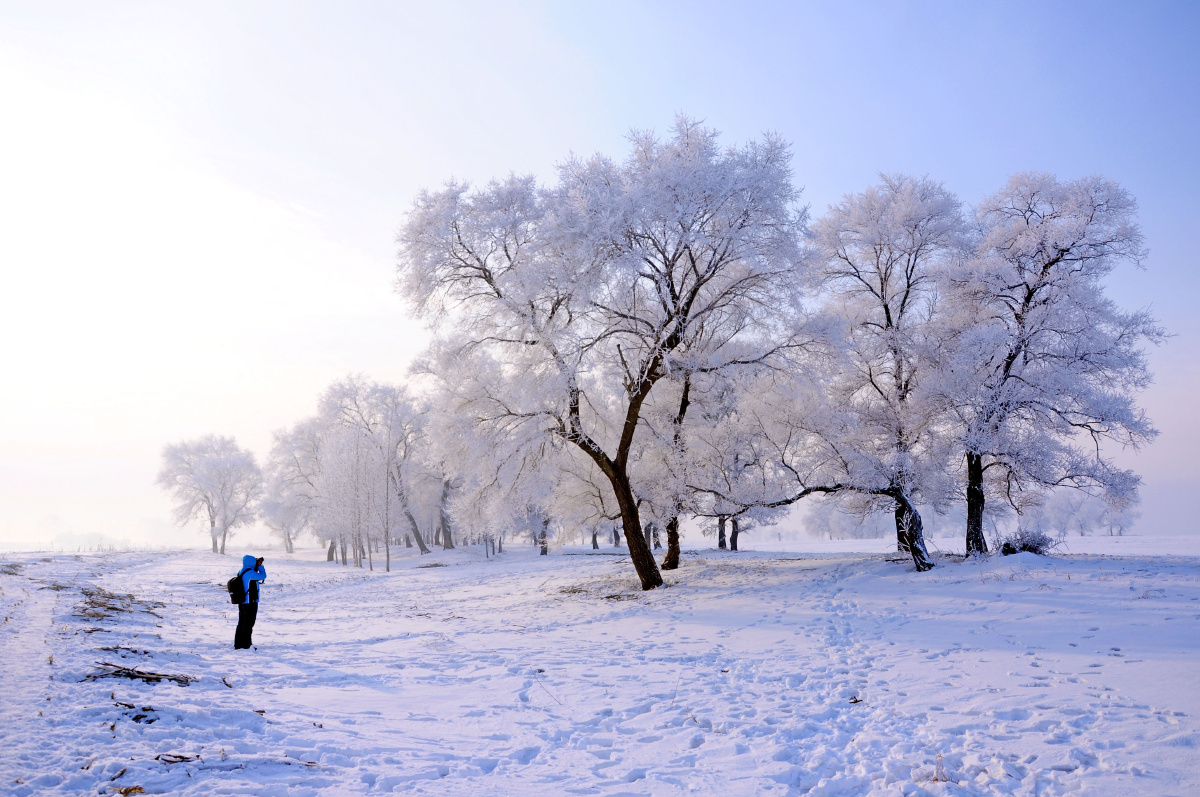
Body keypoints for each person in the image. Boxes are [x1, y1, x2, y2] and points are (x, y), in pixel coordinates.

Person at [233, 555, 266, 650]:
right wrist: (260, 566)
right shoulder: (251, 573)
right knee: (249, 623)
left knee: (241, 622)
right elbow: (263, 576)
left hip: (242, 601)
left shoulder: (241, 571)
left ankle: (238, 644)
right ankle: (247, 644)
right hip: (250, 602)